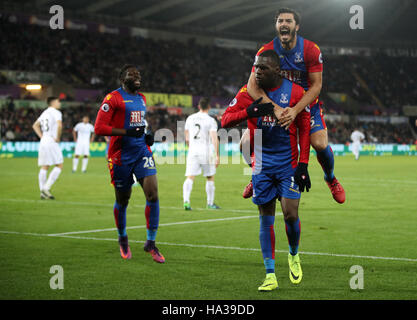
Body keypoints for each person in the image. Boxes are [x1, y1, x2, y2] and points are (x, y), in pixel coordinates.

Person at [222, 50, 311, 291]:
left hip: (288, 164)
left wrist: (304, 164)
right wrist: (248, 112)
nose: (257, 72)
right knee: (266, 219)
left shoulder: (295, 92)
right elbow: (225, 121)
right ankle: (270, 274)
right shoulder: (247, 93)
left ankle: (293, 253)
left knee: (291, 214)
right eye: (256, 67)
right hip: (261, 165)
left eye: (263, 68)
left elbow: (304, 127)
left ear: (277, 71)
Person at [244, 7, 345, 204]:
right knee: (246, 143)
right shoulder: (266, 51)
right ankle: (256, 176)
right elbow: (251, 87)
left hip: (305, 107)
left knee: (320, 144)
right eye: (280, 21)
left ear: (296, 26)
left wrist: (295, 110)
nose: (284, 24)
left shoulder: (310, 50)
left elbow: (316, 86)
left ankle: (330, 178)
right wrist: (275, 109)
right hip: (276, 108)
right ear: (276, 25)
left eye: (288, 21)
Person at [94, 64, 163, 263]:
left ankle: (151, 242)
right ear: (123, 78)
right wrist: (126, 133)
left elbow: (139, 125)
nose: (137, 77)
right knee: (123, 200)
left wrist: (146, 136)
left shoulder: (142, 98)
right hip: (120, 155)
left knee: (153, 194)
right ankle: (123, 238)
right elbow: (99, 127)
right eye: (132, 75)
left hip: (142, 151)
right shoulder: (112, 98)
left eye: (139, 74)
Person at [183, 98, 220, 210]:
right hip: (206, 151)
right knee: (209, 177)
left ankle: (186, 201)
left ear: (199, 106)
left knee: (190, 177)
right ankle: (210, 203)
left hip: (193, 151)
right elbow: (214, 138)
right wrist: (217, 155)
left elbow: (187, 138)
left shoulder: (190, 118)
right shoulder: (211, 120)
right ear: (209, 107)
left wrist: (191, 148)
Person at [32, 96, 64, 200]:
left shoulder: (45, 112)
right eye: (58, 101)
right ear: (53, 102)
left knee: (44, 166)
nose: (59, 103)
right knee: (59, 165)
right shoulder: (56, 112)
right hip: (51, 140)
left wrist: (41, 136)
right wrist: (58, 138)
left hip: (44, 140)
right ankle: (46, 187)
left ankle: (42, 192)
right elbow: (59, 125)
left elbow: (35, 125)